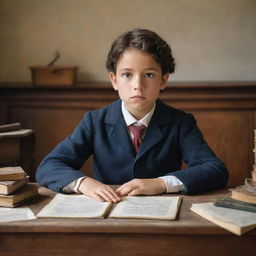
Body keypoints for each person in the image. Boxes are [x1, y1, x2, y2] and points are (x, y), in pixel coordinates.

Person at [36, 28, 228, 203]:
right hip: (107, 214)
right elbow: (49, 166)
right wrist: (84, 183)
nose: (138, 85)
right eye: (127, 74)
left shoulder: (181, 122)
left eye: (149, 75)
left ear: (163, 80)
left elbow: (215, 170)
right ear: (114, 80)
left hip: (161, 214)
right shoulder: (95, 121)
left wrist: (161, 183)